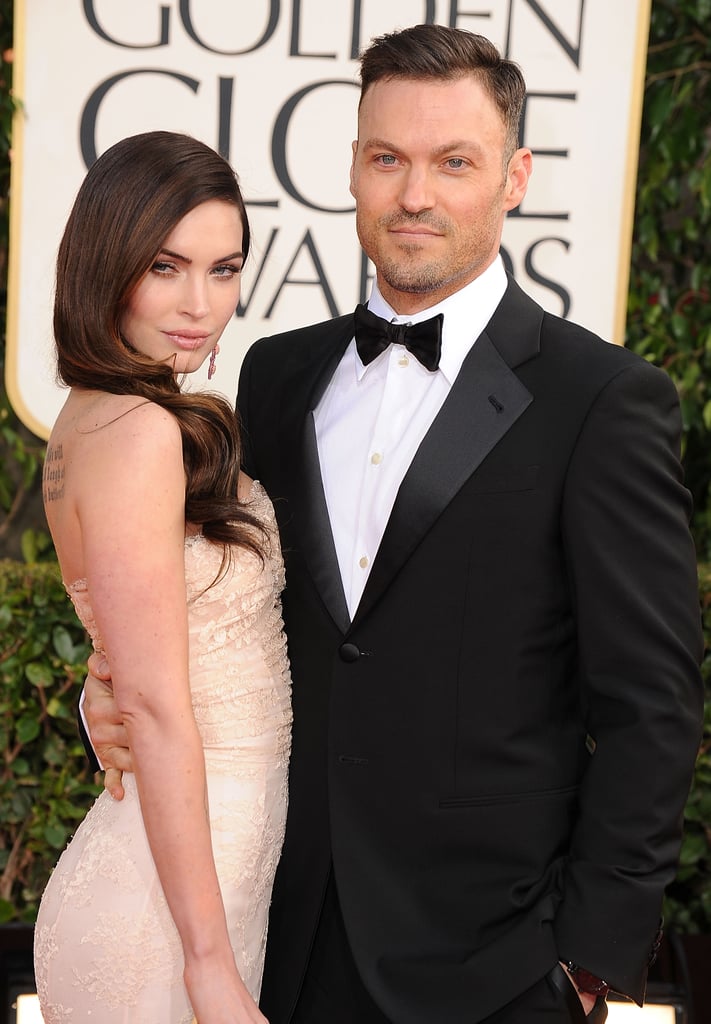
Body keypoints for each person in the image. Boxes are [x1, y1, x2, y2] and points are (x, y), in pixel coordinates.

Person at [83, 26, 704, 1024]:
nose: (415, 195)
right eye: (388, 159)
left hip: (498, 967)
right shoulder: (276, 378)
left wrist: (588, 959)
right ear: (355, 171)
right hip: (284, 941)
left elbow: (654, 704)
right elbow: (226, 623)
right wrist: (101, 701)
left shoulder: (603, 400)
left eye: (454, 162)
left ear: (514, 177)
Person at [34, 130, 292, 1024]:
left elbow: (125, 650)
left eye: (225, 270)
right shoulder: (141, 432)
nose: (200, 304)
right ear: (109, 263)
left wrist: (91, 697)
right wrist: (209, 965)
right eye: (166, 266)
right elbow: (152, 703)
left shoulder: (93, 417)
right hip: (168, 918)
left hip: (186, 880)